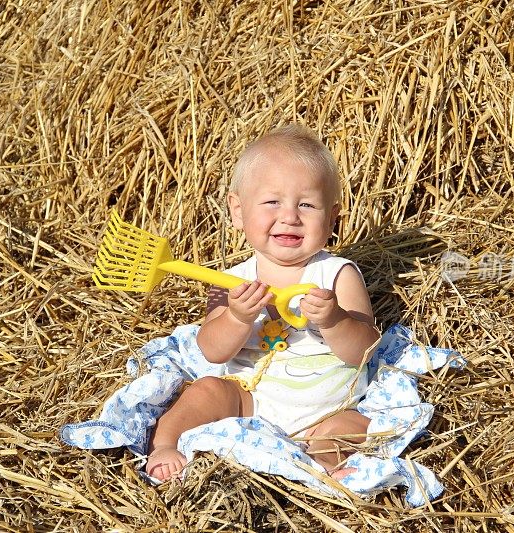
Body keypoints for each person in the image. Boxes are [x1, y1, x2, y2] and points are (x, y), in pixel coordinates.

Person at [145, 124, 381, 481]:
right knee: (207, 390)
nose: (290, 216)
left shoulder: (336, 274)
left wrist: (336, 321)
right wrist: (238, 318)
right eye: (272, 201)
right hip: (250, 402)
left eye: (306, 204)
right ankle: (166, 444)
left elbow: (365, 349)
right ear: (238, 212)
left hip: (328, 408)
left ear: (332, 219)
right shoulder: (229, 280)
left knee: (352, 427)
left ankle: (324, 469)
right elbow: (212, 350)